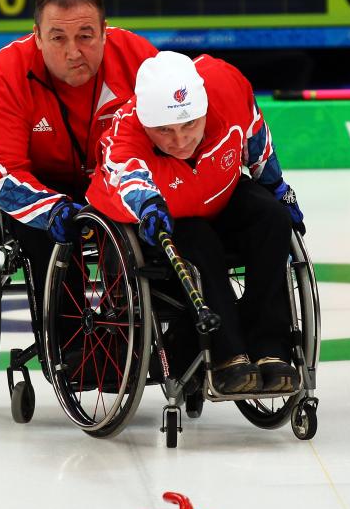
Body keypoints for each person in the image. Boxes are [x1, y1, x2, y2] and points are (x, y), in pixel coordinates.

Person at [87, 51, 307, 395]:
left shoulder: (227, 86)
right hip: (165, 216)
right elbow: (127, 178)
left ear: (203, 108)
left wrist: (277, 188)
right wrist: (148, 206)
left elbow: (257, 139)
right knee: (199, 239)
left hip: (219, 192)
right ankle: (227, 356)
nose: (180, 140)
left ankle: (270, 348)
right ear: (145, 125)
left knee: (272, 219)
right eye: (164, 131)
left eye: (189, 124)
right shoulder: (124, 135)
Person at [0, 0, 158, 323]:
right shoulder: (5, 73)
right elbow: (2, 174)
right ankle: (72, 349)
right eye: (58, 38)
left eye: (86, 36)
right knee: (47, 240)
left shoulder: (139, 59)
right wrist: (52, 211)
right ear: (38, 37)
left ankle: (151, 334)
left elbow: (172, 138)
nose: (73, 51)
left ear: (105, 32)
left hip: (116, 181)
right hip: (44, 187)